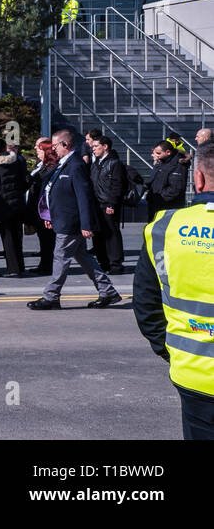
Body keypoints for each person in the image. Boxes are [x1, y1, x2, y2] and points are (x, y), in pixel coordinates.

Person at [134, 141, 214, 439]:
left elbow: (145, 303)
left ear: (199, 179)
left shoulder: (164, 227)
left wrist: (170, 349)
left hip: (193, 370)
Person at [27, 130, 122, 310]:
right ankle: (107, 291)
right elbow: (53, 192)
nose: (52, 149)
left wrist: (86, 224)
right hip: (62, 219)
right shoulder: (63, 164)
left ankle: (51, 296)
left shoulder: (76, 165)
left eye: (55, 146)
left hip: (71, 222)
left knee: (60, 258)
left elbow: (83, 197)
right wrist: (49, 215)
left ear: (65, 145)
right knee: (84, 258)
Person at [0, 141, 30, 278]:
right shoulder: (16, 161)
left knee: (7, 238)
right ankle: (20, 266)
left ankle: (13, 269)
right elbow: (26, 180)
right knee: (17, 236)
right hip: (17, 203)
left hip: (2, 204)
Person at [89, 135, 128, 275]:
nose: (93, 149)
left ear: (105, 147)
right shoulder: (96, 163)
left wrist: (112, 204)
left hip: (107, 204)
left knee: (111, 234)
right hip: (96, 204)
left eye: (95, 146)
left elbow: (117, 185)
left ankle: (116, 264)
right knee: (98, 235)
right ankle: (103, 262)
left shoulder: (114, 163)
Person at [27, 138, 59, 276]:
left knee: (48, 239)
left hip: (46, 209)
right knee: (43, 238)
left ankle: (48, 265)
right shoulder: (41, 165)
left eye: (39, 149)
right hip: (37, 208)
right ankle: (44, 263)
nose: (36, 150)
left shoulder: (51, 167)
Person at [147, 140, 190, 220]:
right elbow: (154, 182)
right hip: (156, 205)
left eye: (158, 153)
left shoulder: (178, 165)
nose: (155, 155)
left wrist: (159, 198)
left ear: (168, 152)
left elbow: (175, 189)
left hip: (168, 207)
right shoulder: (160, 163)